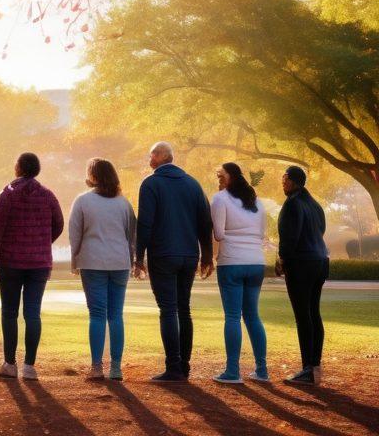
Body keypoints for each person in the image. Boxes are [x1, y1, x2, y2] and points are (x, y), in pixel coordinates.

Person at [134, 141, 213, 383]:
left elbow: (145, 223)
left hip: (163, 254)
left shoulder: (151, 184)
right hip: (189, 255)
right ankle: (184, 365)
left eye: (151, 155)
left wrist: (139, 257)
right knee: (184, 308)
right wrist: (207, 255)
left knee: (168, 309)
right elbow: (204, 221)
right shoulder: (193, 184)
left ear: (159, 157)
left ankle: (173, 367)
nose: (149, 160)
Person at [0, 151, 64, 381]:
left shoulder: (7, 194)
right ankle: (29, 366)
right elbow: (58, 224)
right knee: (33, 313)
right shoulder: (48, 195)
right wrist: (41, 242)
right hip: (39, 263)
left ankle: (10, 363)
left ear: (19, 168)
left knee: (9, 312)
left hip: (10, 261)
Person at [69, 158, 136, 382]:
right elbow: (131, 236)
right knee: (116, 315)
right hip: (119, 262)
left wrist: (74, 261)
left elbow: (75, 235)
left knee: (97, 314)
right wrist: (132, 259)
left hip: (92, 261)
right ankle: (116, 368)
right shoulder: (123, 203)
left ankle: (97, 367)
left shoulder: (82, 201)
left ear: (94, 176)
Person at [210, 162, 269, 384]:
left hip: (232, 262)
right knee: (252, 315)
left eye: (221, 175)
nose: (219, 179)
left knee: (233, 316)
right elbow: (262, 234)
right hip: (256, 263)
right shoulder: (257, 202)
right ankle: (262, 370)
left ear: (232, 177)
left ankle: (233, 371)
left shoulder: (220, 199)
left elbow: (218, 234)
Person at [276, 165, 329, 385]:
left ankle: (307, 369)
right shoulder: (315, 205)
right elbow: (321, 230)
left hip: (301, 264)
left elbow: (290, 237)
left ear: (292, 180)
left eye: (284, 178)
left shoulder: (292, 204)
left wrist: (282, 260)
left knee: (302, 315)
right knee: (313, 312)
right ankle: (315, 364)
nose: (282, 182)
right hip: (320, 262)